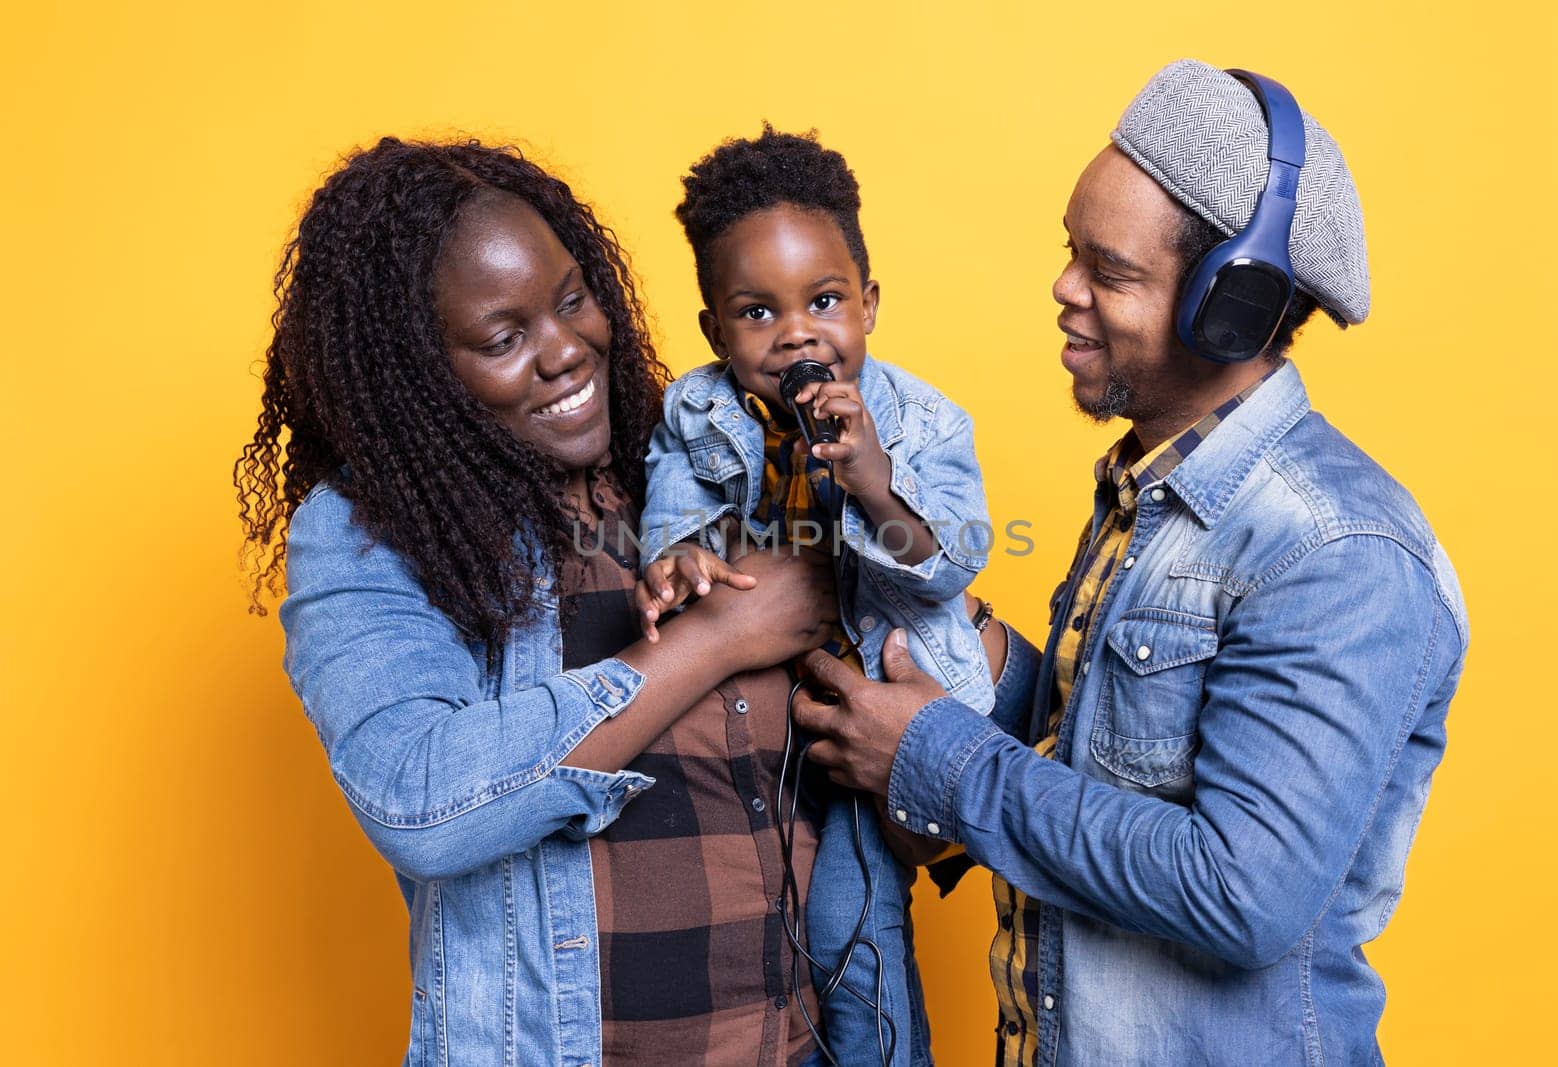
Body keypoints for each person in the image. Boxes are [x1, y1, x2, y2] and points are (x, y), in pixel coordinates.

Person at [790, 59, 1469, 1065]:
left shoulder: (1335, 551)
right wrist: (982, 656)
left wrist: (932, 752)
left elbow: (1239, 890)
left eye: (1107, 272)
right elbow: (1116, 750)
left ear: (1224, 311)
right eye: (1072, 252)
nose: (1064, 291)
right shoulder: (1149, 491)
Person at [234, 137, 846, 1066]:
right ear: (418, 370)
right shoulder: (375, 530)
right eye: (503, 337)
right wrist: (714, 641)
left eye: (571, 299)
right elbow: (420, 798)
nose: (566, 351)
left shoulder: (700, 473)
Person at [633, 126, 994, 1066]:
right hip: (755, 737)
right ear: (715, 330)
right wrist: (680, 554)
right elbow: (675, 495)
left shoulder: (925, 420)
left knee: (853, 941)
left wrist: (873, 480)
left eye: (825, 301)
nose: (796, 332)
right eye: (757, 312)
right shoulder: (697, 407)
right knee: (767, 949)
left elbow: (950, 558)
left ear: (868, 304)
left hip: (869, 721)